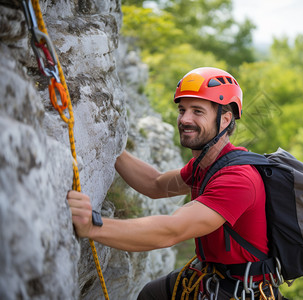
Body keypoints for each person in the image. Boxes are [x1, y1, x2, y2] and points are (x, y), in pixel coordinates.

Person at [68, 67, 282, 299]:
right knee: (151, 294)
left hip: (241, 290)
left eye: (197, 111)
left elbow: (171, 231)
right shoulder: (206, 164)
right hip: (214, 276)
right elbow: (156, 184)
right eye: (182, 110)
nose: (185, 119)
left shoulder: (238, 179)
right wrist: (111, 149)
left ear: (225, 119)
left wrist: (92, 225)